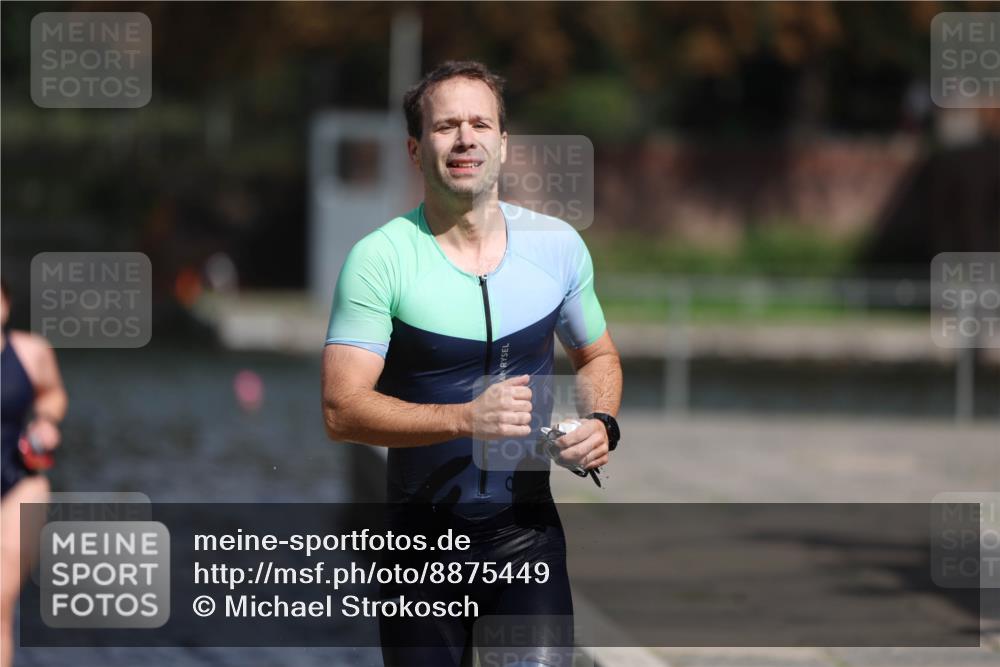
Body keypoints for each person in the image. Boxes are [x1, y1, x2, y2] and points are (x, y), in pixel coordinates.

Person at [322, 61, 623, 667]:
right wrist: (464, 418)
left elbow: (598, 356)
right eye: (446, 126)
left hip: (526, 541)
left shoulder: (558, 248)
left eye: (480, 124)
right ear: (415, 149)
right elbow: (341, 410)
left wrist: (600, 423)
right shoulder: (380, 260)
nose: (465, 139)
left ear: (503, 144)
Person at [0, 279, 67, 667]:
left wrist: (46, 421)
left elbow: (53, 393)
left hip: (17, 477)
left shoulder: (31, 351)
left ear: (6, 306)